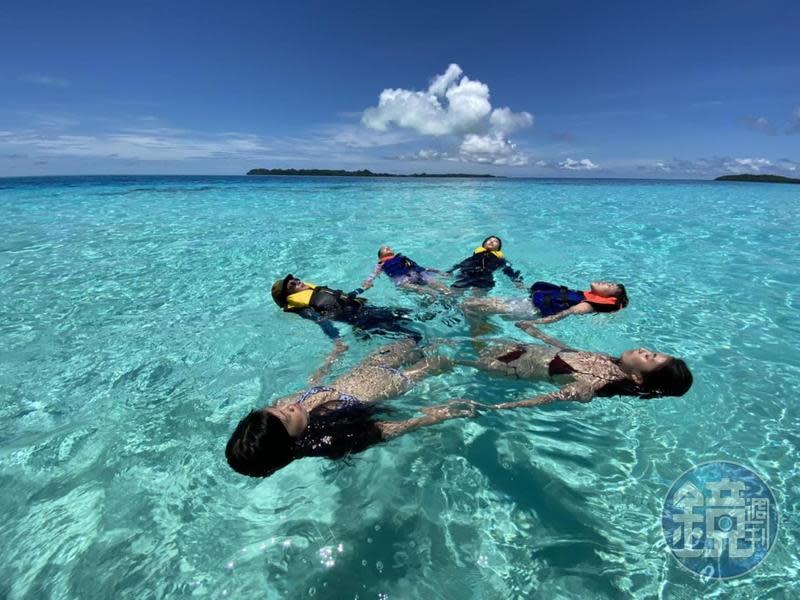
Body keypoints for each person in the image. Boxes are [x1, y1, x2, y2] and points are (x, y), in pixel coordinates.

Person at [225, 340, 474, 477]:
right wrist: (434, 416)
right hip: (394, 382)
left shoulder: (284, 408)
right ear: (291, 441)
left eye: (274, 408)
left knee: (412, 341)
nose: (288, 406)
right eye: (286, 417)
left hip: (368, 367)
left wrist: (330, 358)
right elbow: (384, 430)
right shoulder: (331, 437)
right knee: (446, 356)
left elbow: (316, 385)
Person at [454, 321, 692, 407]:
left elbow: (543, 400)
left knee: (446, 355)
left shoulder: (593, 385)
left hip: (506, 365)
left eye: (649, 358)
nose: (643, 350)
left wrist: (491, 408)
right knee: (471, 315)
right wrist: (539, 334)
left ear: (638, 378)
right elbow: (569, 352)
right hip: (522, 350)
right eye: (651, 352)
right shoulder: (611, 361)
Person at [271, 273, 422, 343]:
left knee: (416, 314)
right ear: (287, 295)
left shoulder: (314, 292)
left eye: (296, 279)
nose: (298, 282)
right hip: (365, 322)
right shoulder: (303, 308)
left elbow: (345, 298)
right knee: (415, 337)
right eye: (293, 284)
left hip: (370, 311)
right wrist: (337, 340)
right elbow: (321, 321)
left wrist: (363, 289)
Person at [462, 280, 628, 325]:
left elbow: (564, 314)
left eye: (609, 286)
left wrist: (537, 324)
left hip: (529, 310)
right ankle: (481, 324)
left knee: (468, 305)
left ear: (610, 298)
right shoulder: (582, 294)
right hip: (525, 302)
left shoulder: (587, 304)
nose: (604, 282)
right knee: (473, 303)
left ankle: (478, 326)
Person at [362, 246, 451, 295]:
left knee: (441, 287)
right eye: (384, 249)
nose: (387, 248)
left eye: (389, 248)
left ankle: (448, 294)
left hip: (417, 273)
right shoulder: (381, 264)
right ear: (380, 256)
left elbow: (419, 267)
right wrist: (368, 282)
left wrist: (438, 271)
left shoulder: (401, 258)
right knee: (428, 292)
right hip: (403, 281)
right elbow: (374, 274)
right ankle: (432, 296)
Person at [447, 236, 524, 290]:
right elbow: (462, 264)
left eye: (495, 241)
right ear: (483, 244)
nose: (491, 241)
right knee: (454, 291)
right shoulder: (475, 256)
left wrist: (516, 280)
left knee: (477, 300)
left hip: (485, 277)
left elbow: (508, 270)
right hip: (467, 273)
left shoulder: (500, 259)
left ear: (498, 248)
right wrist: (449, 271)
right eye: (489, 240)